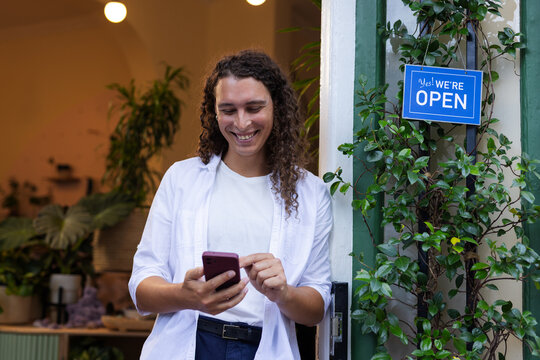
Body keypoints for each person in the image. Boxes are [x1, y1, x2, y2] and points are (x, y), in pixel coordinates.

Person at [128, 49, 333, 360]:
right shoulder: (181, 179)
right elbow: (142, 287)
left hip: (265, 348)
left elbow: (316, 307)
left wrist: (285, 293)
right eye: (228, 109)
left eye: (254, 107)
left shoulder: (310, 193)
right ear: (214, 113)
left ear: (276, 106)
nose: (242, 122)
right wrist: (185, 296)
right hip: (190, 344)